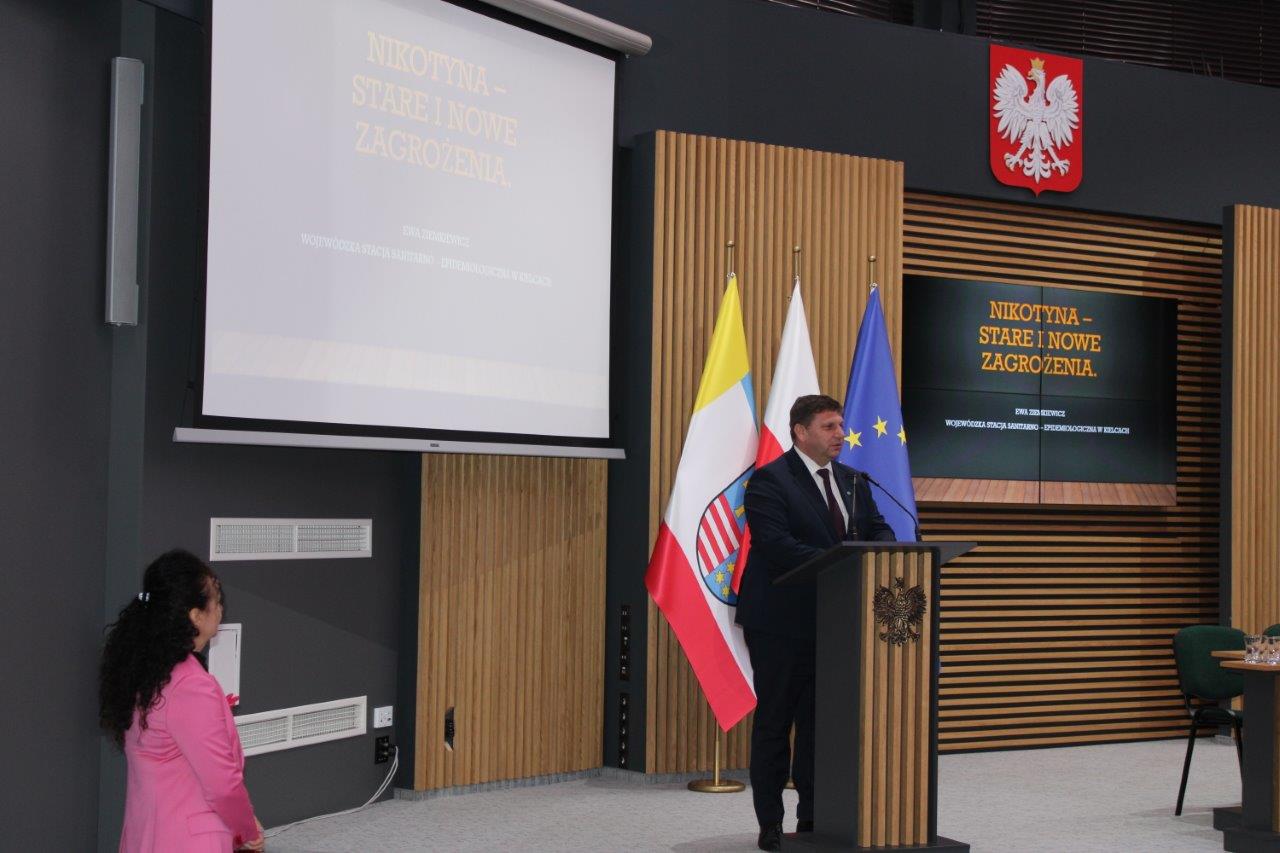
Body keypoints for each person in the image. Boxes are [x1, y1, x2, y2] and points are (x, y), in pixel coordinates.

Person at [736, 394, 895, 850]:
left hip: (836, 622)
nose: (840, 434)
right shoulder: (770, 480)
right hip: (781, 622)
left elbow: (879, 527)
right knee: (775, 723)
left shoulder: (852, 480)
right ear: (801, 432)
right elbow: (776, 545)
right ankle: (770, 823)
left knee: (818, 726)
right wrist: (843, 561)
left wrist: (883, 547)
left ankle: (812, 818)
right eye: (829, 427)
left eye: (841, 425)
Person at [99, 549, 265, 852]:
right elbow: (222, 784)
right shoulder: (190, 686)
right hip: (188, 841)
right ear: (195, 616)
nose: (221, 608)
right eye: (217, 600)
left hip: (146, 835)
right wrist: (246, 830)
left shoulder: (144, 672)